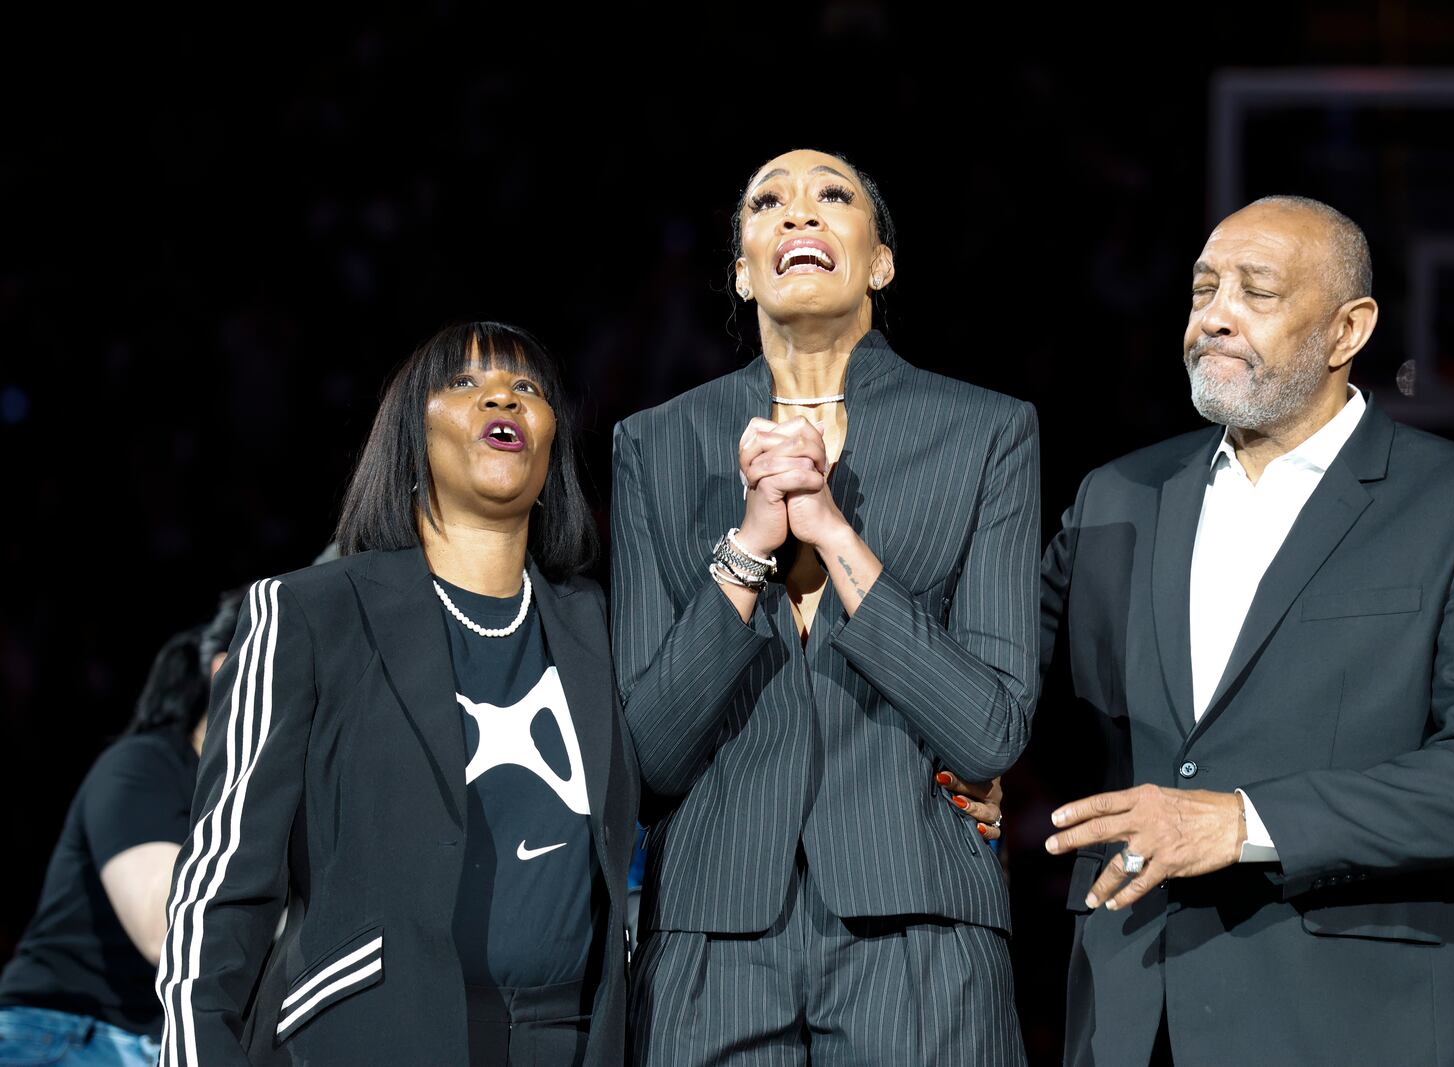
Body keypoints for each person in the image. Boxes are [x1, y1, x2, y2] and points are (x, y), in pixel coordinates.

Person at [1038, 196, 1454, 1066]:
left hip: (1351, 1024)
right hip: (1132, 1019)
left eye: (1257, 290)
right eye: (1204, 288)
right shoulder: (1118, 494)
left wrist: (1242, 819)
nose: (1215, 314)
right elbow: (1006, 681)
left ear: (1347, 329)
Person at [613, 148, 1037, 1065]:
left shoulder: (988, 431)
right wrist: (753, 542)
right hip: (710, 934)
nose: (799, 213)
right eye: (769, 203)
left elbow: (990, 730)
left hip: (920, 920)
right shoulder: (654, 444)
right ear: (741, 266)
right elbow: (646, 749)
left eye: (832, 197)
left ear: (880, 261)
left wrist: (836, 536)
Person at [155, 322, 638, 1067]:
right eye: (463, 383)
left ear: (552, 452)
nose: (501, 395)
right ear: (411, 442)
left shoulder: (598, 627)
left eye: (528, 388)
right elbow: (220, 892)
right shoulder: (308, 613)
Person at [0, 585, 241, 1067]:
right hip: (64, 1033)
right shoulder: (141, 766)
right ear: (225, 671)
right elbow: (167, 931)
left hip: (156, 1042)